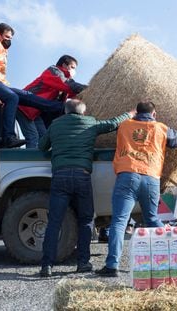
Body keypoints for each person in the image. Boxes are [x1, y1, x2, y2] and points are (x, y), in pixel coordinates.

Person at [95, 101, 177, 277]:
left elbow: (110, 126)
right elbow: (176, 140)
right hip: (151, 178)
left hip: (127, 175)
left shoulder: (125, 124)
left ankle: (112, 266)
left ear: (136, 112)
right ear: (154, 114)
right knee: (152, 219)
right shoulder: (161, 128)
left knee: (119, 222)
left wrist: (128, 114)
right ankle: (176, 257)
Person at [38, 99, 135, 277]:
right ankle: (83, 262)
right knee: (86, 220)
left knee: (54, 222)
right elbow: (113, 123)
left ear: (65, 112)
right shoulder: (90, 123)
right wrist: (129, 114)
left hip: (60, 176)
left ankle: (47, 265)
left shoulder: (55, 124)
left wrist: (57, 152)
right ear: (82, 113)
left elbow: (41, 146)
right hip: (82, 176)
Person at [0, 23, 64, 148]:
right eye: (7, 37)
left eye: (11, 38)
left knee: (25, 95)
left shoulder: (0, 46)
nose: (9, 40)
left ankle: (60, 108)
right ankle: (8, 137)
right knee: (12, 97)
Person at [17, 55, 87, 148]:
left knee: (44, 136)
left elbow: (73, 94)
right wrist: (90, 88)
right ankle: (30, 161)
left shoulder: (65, 79)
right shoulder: (53, 71)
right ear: (64, 65)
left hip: (36, 112)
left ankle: (39, 158)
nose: (74, 71)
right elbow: (67, 85)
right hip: (25, 107)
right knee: (32, 136)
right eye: (72, 67)